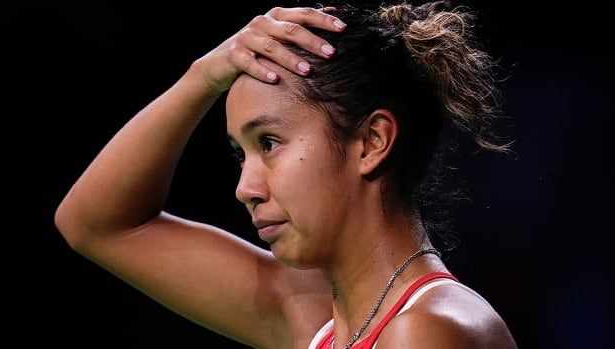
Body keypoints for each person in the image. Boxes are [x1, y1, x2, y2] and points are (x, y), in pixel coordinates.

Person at [54, 1, 518, 348]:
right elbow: (95, 224)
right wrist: (205, 75)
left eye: (269, 144)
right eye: (241, 154)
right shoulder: (316, 317)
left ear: (372, 141)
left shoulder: (429, 331)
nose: (244, 189)